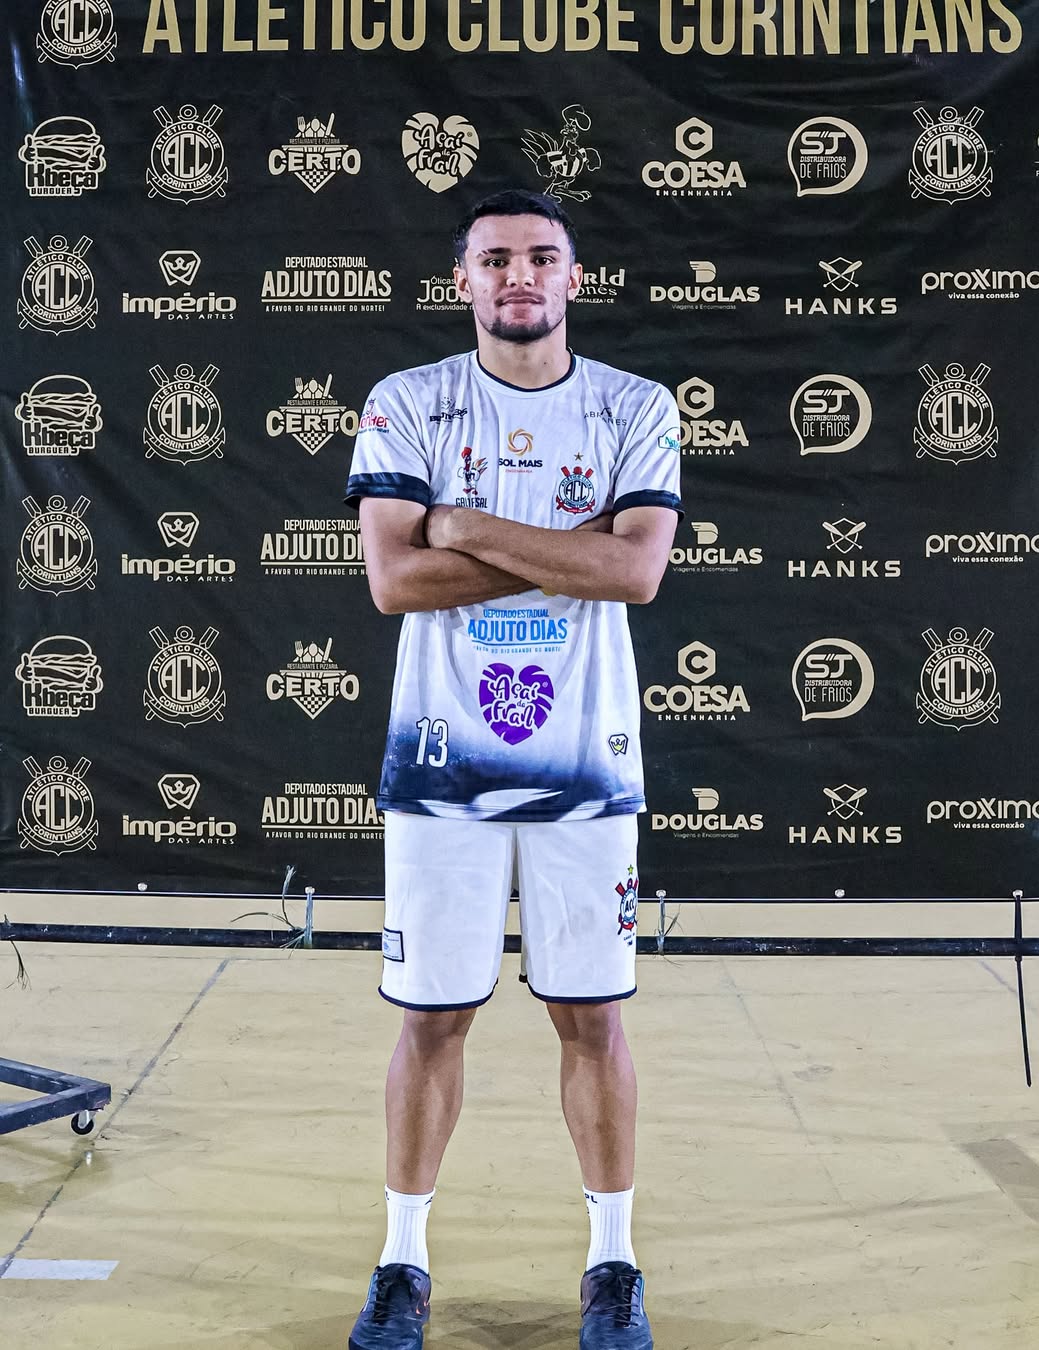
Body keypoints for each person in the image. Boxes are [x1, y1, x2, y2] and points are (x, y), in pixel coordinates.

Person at [344, 188, 681, 1350]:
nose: (520, 276)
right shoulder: (408, 402)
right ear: (464, 282)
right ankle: (401, 1263)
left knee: (592, 1015)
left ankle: (613, 1266)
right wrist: (569, 552)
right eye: (496, 260)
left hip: (587, 762)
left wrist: (465, 525)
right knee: (433, 1020)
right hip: (442, 765)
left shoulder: (634, 407)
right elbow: (395, 582)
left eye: (542, 257)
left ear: (574, 278)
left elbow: (635, 575)